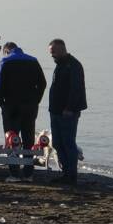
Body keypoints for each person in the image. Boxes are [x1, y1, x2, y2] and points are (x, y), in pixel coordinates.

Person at [0, 42, 47, 183]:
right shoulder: (33, 60)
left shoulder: (5, 61)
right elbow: (42, 83)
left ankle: (14, 173)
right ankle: (28, 173)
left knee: (11, 139)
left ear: (6, 51)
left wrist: (1, 102)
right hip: (30, 106)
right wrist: (36, 100)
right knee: (29, 139)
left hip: (11, 106)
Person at [48, 38, 87, 188]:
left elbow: (76, 89)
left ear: (62, 49)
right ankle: (66, 173)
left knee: (68, 143)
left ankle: (71, 175)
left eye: (54, 53)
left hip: (68, 112)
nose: (52, 56)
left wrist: (70, 108)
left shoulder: (73, 65)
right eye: (51, 53)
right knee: (58, 142)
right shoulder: (60, 65)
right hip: (56, 110)